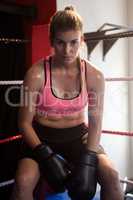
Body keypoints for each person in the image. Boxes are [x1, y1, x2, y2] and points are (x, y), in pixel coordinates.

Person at [11, 5, 124, 200]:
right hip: (40, 137)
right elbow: (24, 123)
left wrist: (88, 159)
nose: (68, 50)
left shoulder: (94, 75)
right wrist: (44, 154)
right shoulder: (36, 74)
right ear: (52, 41)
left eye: (73, 42)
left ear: (81, 40)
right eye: (60, 43)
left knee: (111, 176)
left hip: (78, 136)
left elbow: (96, 122)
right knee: (23, 182)